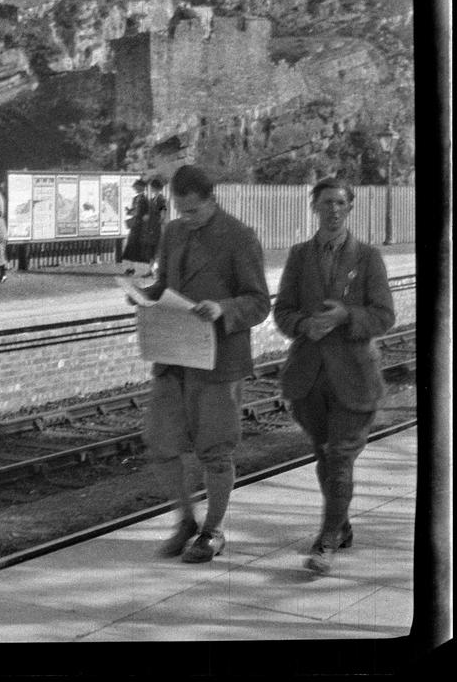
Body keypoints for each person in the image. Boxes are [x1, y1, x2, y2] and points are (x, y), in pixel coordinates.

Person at [139, 164, 271, 563]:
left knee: (215, 451)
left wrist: (223, 308)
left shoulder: (240, 237)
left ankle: (213, 530)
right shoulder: (174, 232)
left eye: (193, 211)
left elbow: (259, 302)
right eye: (180, 210)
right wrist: (144, 295)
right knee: (161, 444)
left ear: (212, 200)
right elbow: (166, 287)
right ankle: (185, 521)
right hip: (173, 357)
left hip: (217, 362)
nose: (186, 218)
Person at [274, 177, 395, 575]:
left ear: (350, 207)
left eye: (341, 203)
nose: (334, 209)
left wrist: (347, 315)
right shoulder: (298, 256)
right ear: (314, 207)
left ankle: (325, 541)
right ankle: (340, 525)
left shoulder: (368, 258)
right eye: (326, 202)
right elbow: (283, 311)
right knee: (324, 457)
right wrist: (303, 324)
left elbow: (384, 315)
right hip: (308, 379)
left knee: (340, 457)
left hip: (354, 378)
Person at [121, 177, 150, 275]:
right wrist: (129, 211)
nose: (135, 188)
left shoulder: (145, 199)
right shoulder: (135, 199)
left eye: (137, 187)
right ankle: (130, 268)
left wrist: (143, 220)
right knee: (130, 247)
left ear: (142, 187)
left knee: (139, 248)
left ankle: (148, 269)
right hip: (134, 226)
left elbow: (146, 214)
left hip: (140, 227)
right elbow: (134, 211)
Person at [142, 176, 168, 277]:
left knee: (157, 249)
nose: (151, 189)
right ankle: (150, 270)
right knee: (151, 249)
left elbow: (163, 211)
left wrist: (161, 220)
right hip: (151, 228)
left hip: (157, 228)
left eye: (152, 187)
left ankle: (156, 270)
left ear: (157, 188)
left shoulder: (161, 199)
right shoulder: (152, 199)